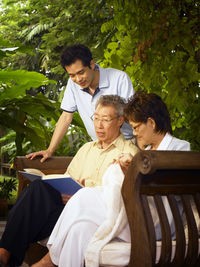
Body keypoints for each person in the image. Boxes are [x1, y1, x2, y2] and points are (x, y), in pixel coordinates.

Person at [31, 92, 190, 267]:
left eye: (136, 127)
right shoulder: (148, 150)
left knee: (86, 195)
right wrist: (128, 169)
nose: (135, 134)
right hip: (138, 213)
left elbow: (169, 190)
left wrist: (133, 169)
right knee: (80, 227)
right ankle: (53, 259)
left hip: (155, 221)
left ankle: (51, 259)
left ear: (151, 123)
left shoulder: (180, 148)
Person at [0, 95, 138, 267]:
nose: (98, 125)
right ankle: (4, 254)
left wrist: (83, 197)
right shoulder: (86, 149)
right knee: (38, 188)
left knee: (30, 214)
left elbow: (119, 196)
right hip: (65, 210)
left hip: (92, 218)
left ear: (120, 120)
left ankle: (6, 255)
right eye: (95, 118)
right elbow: (66, 178)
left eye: (105, 119)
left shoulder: (128, 154)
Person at [26, 44, 134, 163]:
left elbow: (132, 116)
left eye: (81, 72)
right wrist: (50, 150)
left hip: (127, 144)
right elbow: (66, 117)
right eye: (72, 75)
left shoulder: (119, 78)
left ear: (92, 65)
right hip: (99, 147)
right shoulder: (73, 84)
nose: (78, 79)